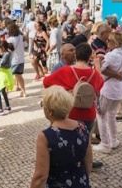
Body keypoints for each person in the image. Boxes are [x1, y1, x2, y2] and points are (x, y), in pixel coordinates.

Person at [43, 42, 104, 170]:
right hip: (88, 113)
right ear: (89, 57)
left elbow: (46, 82)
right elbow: (99, 86)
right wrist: (97, 66)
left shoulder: (66, 70)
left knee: (68, 139)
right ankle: (87, 165)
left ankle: (68, 164)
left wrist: (64, 91)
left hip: (71, 112)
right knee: (86, 140)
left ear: (76, 55)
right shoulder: (94, 74)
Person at [30, 85, 92, 188]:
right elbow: (88, 161)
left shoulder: (46, 136)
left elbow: (40, 176)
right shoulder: (82, 127)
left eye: (43, 105)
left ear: (50, 111)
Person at [92, 32, 122, 153]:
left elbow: (100, 70)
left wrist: (97, 64)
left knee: (101, 115)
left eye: (109, 41)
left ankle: (105, 143)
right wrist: (118, 75)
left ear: (116, 43)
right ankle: (113, 140)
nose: (107, 42)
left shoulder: (110, 56)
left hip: (108, 89)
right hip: (120, 89)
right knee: (111, 115)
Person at [6, 21, 27, 97]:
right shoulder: (21, 37)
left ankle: (6, 91)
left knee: (9, 76)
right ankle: (23, 91)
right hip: (21, 59)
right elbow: (25, 45)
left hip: (13, 60)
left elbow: (8, 50)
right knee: (19, 76)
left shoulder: (9, 40)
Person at [0, 40, 14, 116]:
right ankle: (7, 106)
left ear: (3, 48)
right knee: (2, 90)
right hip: (5, 74)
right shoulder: (8, 53)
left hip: (4, 74)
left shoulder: (6, 55)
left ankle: (0, 109)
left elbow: (1, 64)